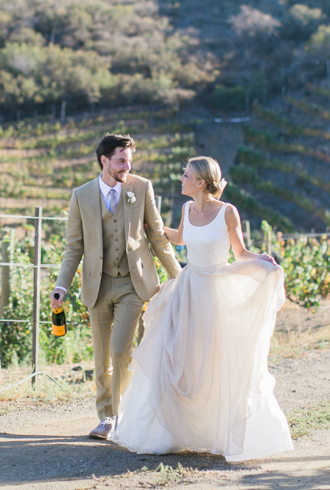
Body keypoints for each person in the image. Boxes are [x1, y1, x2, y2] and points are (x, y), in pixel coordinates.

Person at [110, 156, 294, 461]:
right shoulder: (186, 208)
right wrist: (153, 228)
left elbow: (240, 252)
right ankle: (169, 431)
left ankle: (214, 431)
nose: (181, 179)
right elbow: (181, 239)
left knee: (213, 360)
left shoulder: (228, 213)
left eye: (185, 175)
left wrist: (263, 259)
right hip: (187, 289)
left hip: (215, 292)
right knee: (176, 356)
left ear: (200, 182)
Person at [51, 133, 182, 440]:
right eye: (121, 161)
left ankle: (119, 415)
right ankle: (106, 417)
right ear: (104, 161)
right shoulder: (80, 196)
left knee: (120, 351)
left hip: (133, 285)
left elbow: (158, 238)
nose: (127, 166)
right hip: (97, 286)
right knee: (101, 356)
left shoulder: (141, 187)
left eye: (129, 161)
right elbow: (73, 247)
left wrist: (178, 276)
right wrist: (61, 286)